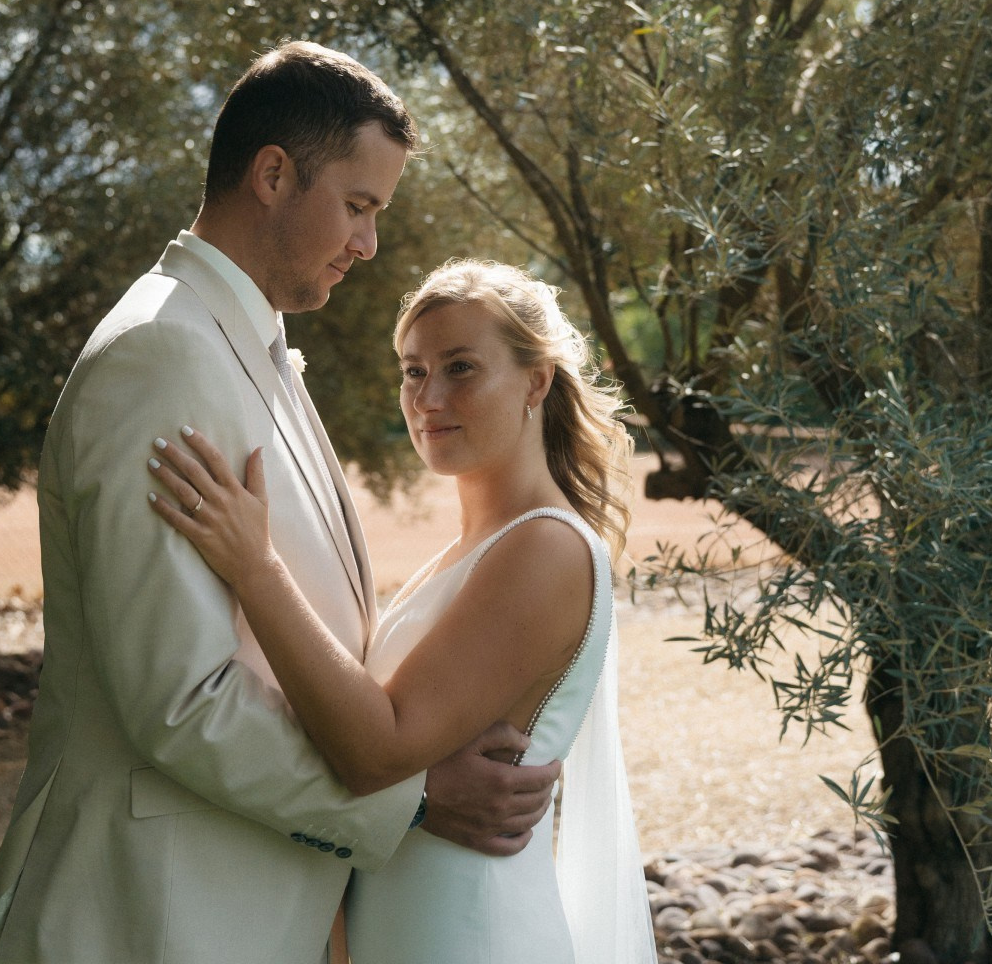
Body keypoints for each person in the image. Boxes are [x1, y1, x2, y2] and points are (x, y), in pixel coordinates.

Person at [0, 43, 558, 964]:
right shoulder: (160, 355)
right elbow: (181, 701)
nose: (368, 246)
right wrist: (416, 799)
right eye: (357, 207)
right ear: (273, 174)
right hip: (148, 920)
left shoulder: (247, 346)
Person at [147, 258, 659, 964]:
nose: (428, 397)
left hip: (474, 936)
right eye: (413, 372)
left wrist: (255, 567)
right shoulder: (470, 552)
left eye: (460, 368)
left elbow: (377, 749)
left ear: (536, 381)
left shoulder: (545, 548)